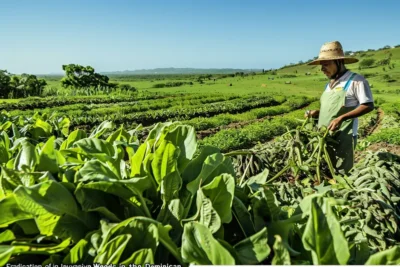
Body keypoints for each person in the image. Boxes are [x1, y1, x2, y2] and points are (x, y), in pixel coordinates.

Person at [305, 41, 374, 174]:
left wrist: (342, 118)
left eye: (326, 64)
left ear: (339, 62)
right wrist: (316, 113)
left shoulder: (356, 80)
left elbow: (368, 105)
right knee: (324, 171)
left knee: (342, 173)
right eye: (321, 65)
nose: (322, 69)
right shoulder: (329, 85)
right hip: (325, 137)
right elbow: (331, 110)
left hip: (344, 137)